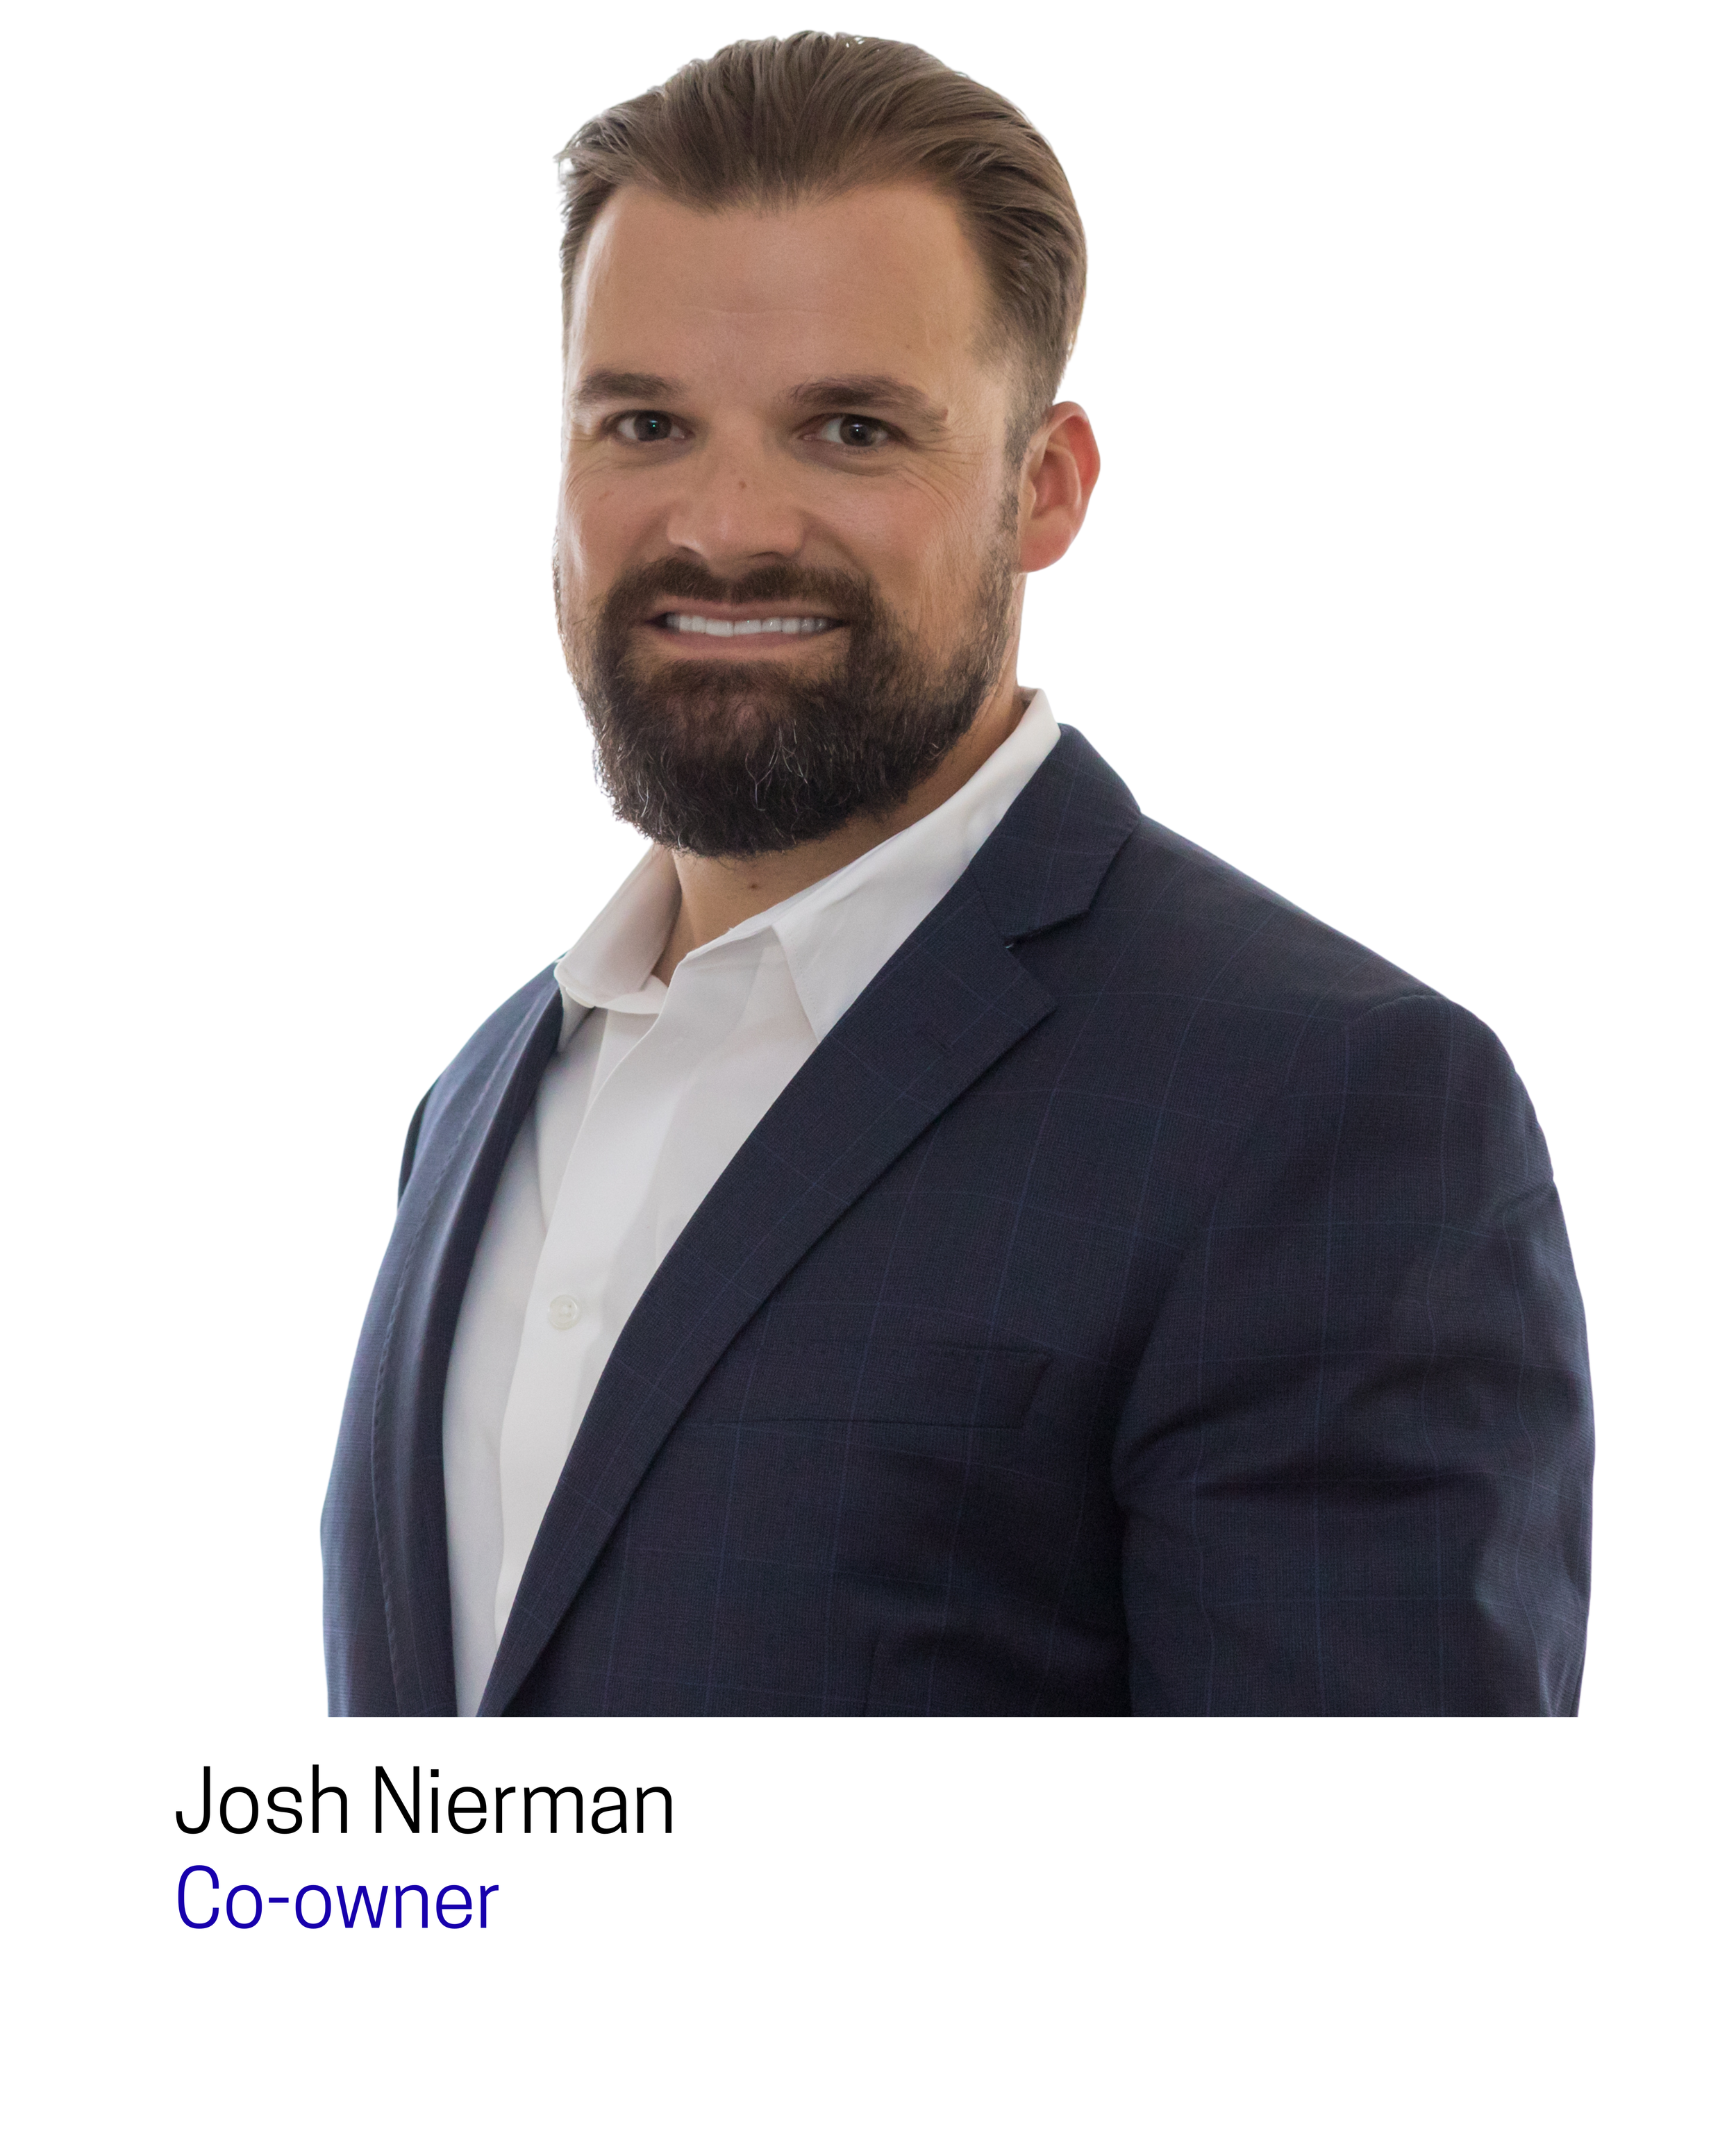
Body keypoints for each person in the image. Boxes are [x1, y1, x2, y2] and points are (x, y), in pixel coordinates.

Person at [322, 32, 1592, 1717]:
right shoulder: (481, 1097)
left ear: (1041, 488)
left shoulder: (1322, 1110)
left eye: (848, 429)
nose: (723, 524)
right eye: (643, 421)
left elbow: (1349, 1945)